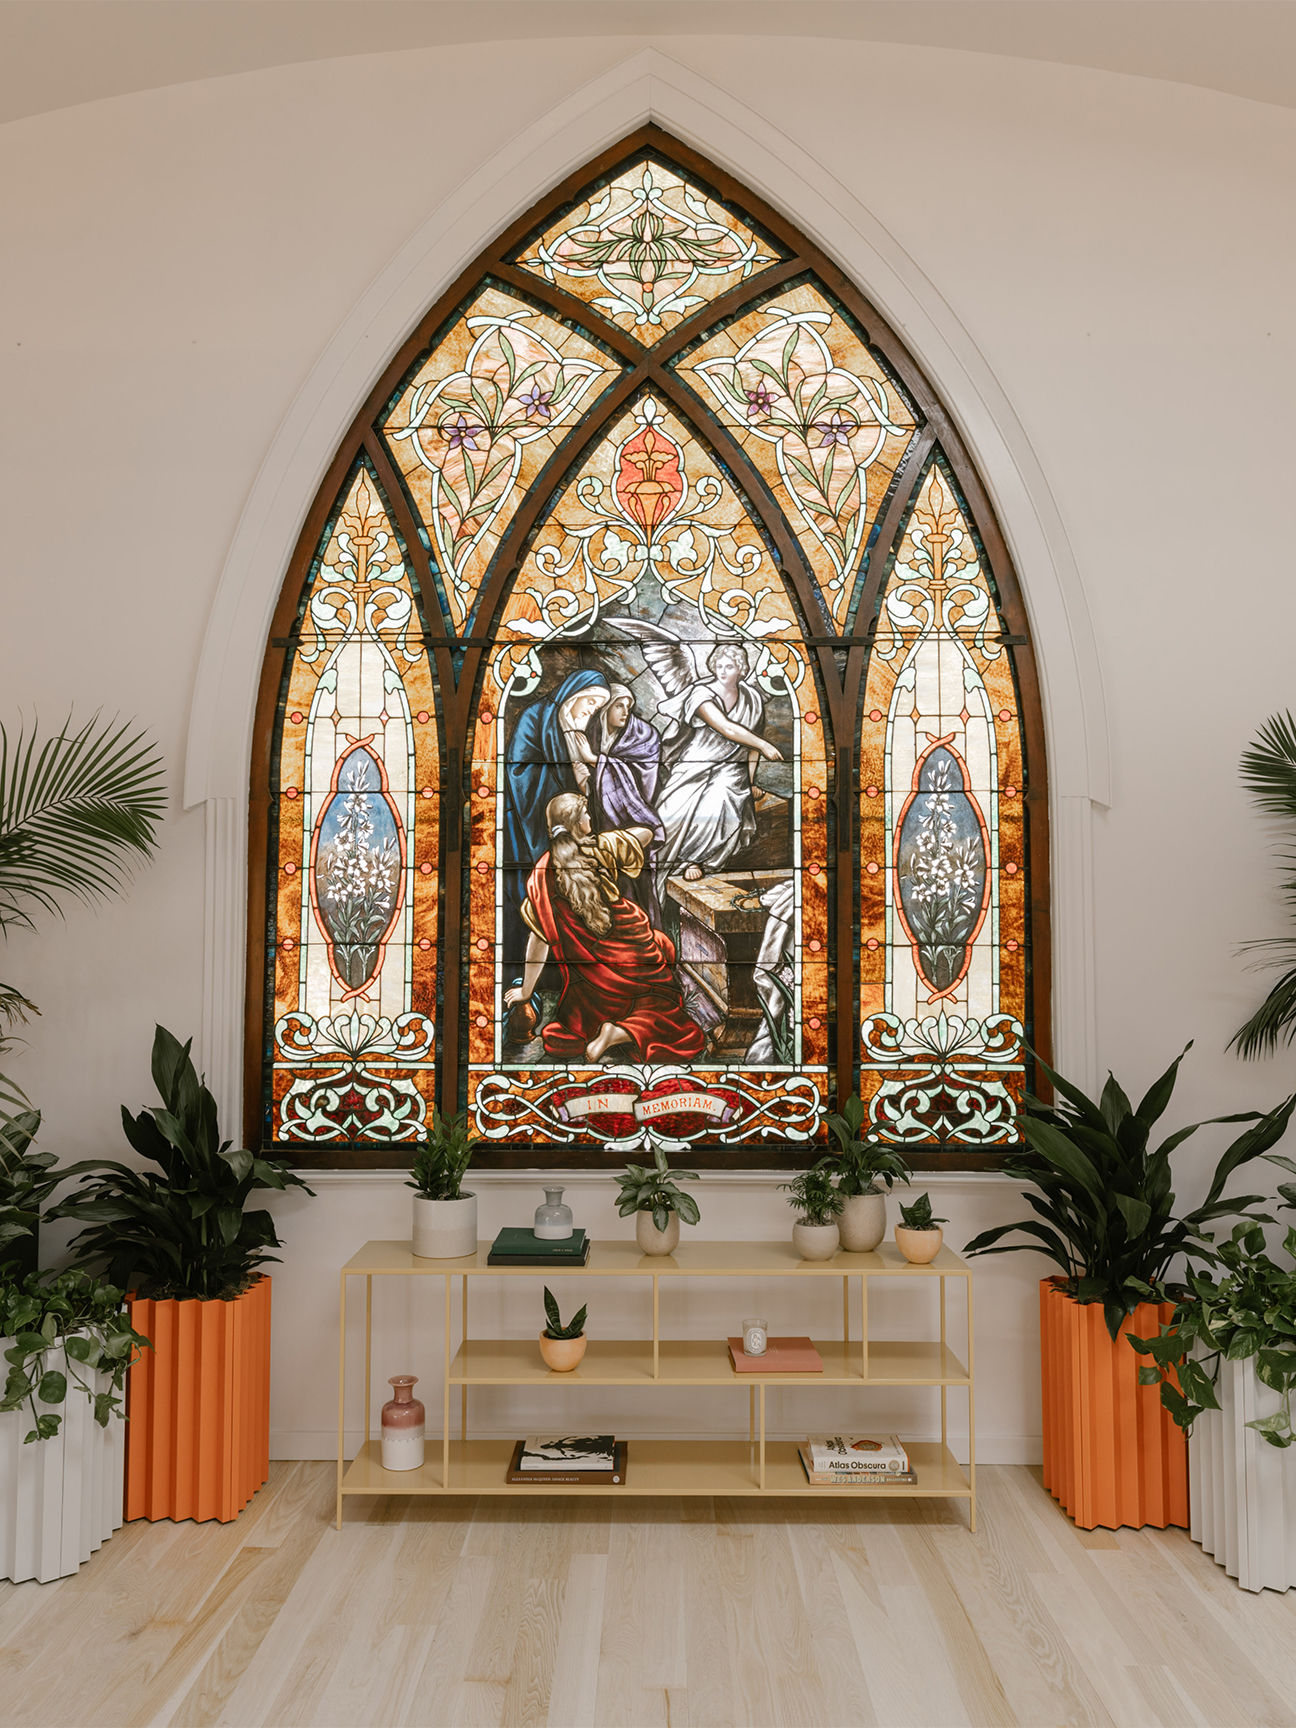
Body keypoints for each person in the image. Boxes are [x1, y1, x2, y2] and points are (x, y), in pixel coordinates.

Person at [504, 792, 706, 1064]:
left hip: (589, 989)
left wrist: (527, 990)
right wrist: (619, 837)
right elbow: (646, 834)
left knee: (660, 946)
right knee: (684, 1030)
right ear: (578, 824)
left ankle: (603, 1030)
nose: (590, 818)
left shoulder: (543, 873)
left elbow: (539, 940)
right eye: (585, 814)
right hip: (635, 965)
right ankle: (617, 1033)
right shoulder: (603, 847)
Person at [502, 670, 610, 983]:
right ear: (572, 696)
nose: (590, 711)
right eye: (589, 702)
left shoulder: (573, 731)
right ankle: (534, 977)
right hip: (527, 824)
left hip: (565, 825)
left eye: (596, 708)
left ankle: (570, 973)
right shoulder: (536, 717)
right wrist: (565, 787)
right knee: (534, 896)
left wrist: (583, 784)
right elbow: (520, 771)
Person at [653, 642, 782, 900]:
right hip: (695, 764)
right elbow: (726, 728)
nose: (722, 671)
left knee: (721, 799)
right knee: (670, 818)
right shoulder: (701, 693)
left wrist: (751, 779)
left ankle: (694, 860)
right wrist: (764, 744)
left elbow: (749, 745)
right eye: (719, 666)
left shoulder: (752, 699)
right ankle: (655, 883)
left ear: (741, 670)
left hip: (731, 771)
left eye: (730, 666)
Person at [587, 682, 665, 929]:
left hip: (633, 821)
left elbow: (646, 781)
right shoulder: (592, 735)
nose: (625, 712)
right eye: (618, 706)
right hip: (598, 820)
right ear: (604, 708)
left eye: (628, 707)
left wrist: (597, 762)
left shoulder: (640, 736)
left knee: (635, 883)